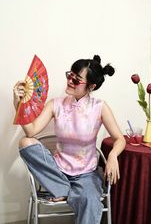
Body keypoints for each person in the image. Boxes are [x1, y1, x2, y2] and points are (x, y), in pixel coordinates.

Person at [13, 54, 126, 224]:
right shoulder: (55, 104)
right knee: (25, 142)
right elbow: (31, 131)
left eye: (77, 79)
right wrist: (18, 103)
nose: (70, 80)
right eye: (70, 75)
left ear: (91, 86)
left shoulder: (100, 107)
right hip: (58, 171)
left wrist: (112, 156)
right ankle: (63, 189)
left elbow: (120, 139)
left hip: (86, 174)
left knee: (90, 201)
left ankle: (64, 191)